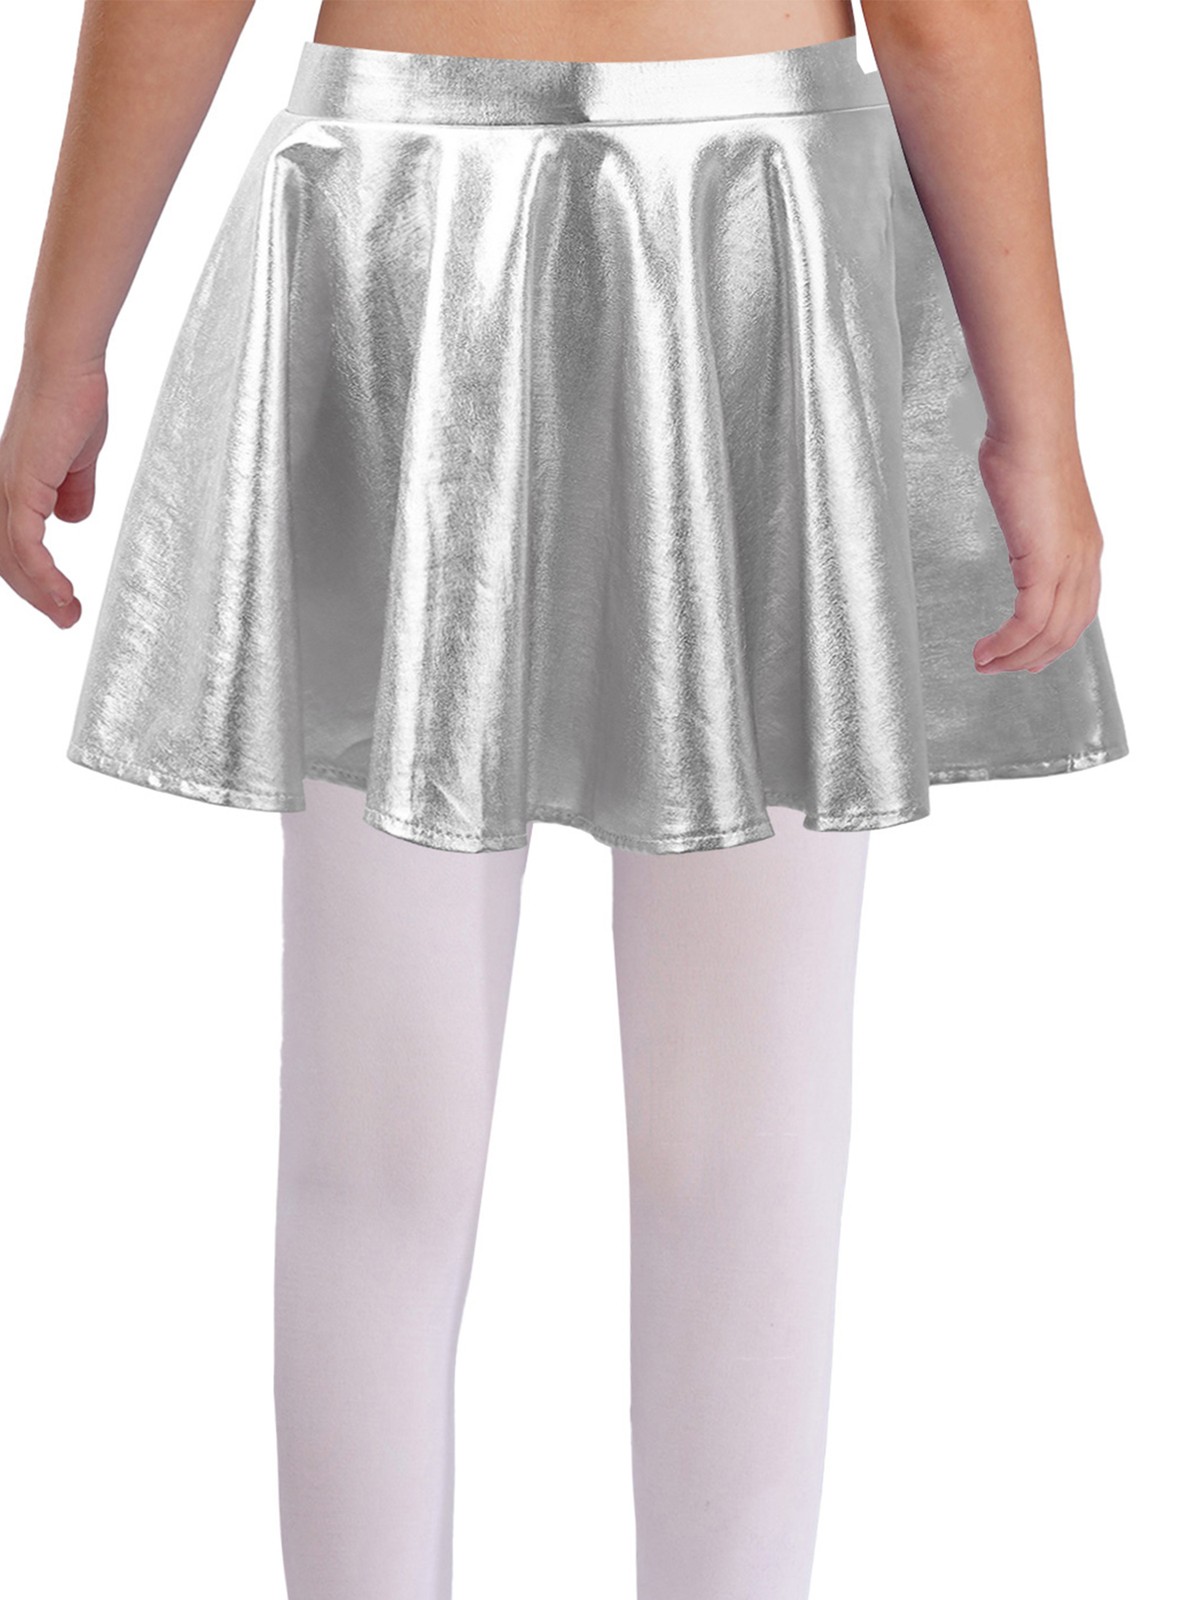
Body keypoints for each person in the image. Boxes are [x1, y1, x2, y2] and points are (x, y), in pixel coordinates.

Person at [0, 2, 1128, 1598]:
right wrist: (1034, 419)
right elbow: (941, 25)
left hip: (394, 206)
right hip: (752, 223)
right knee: (745, 1126)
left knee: (372, 1138)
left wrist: (62, 344)